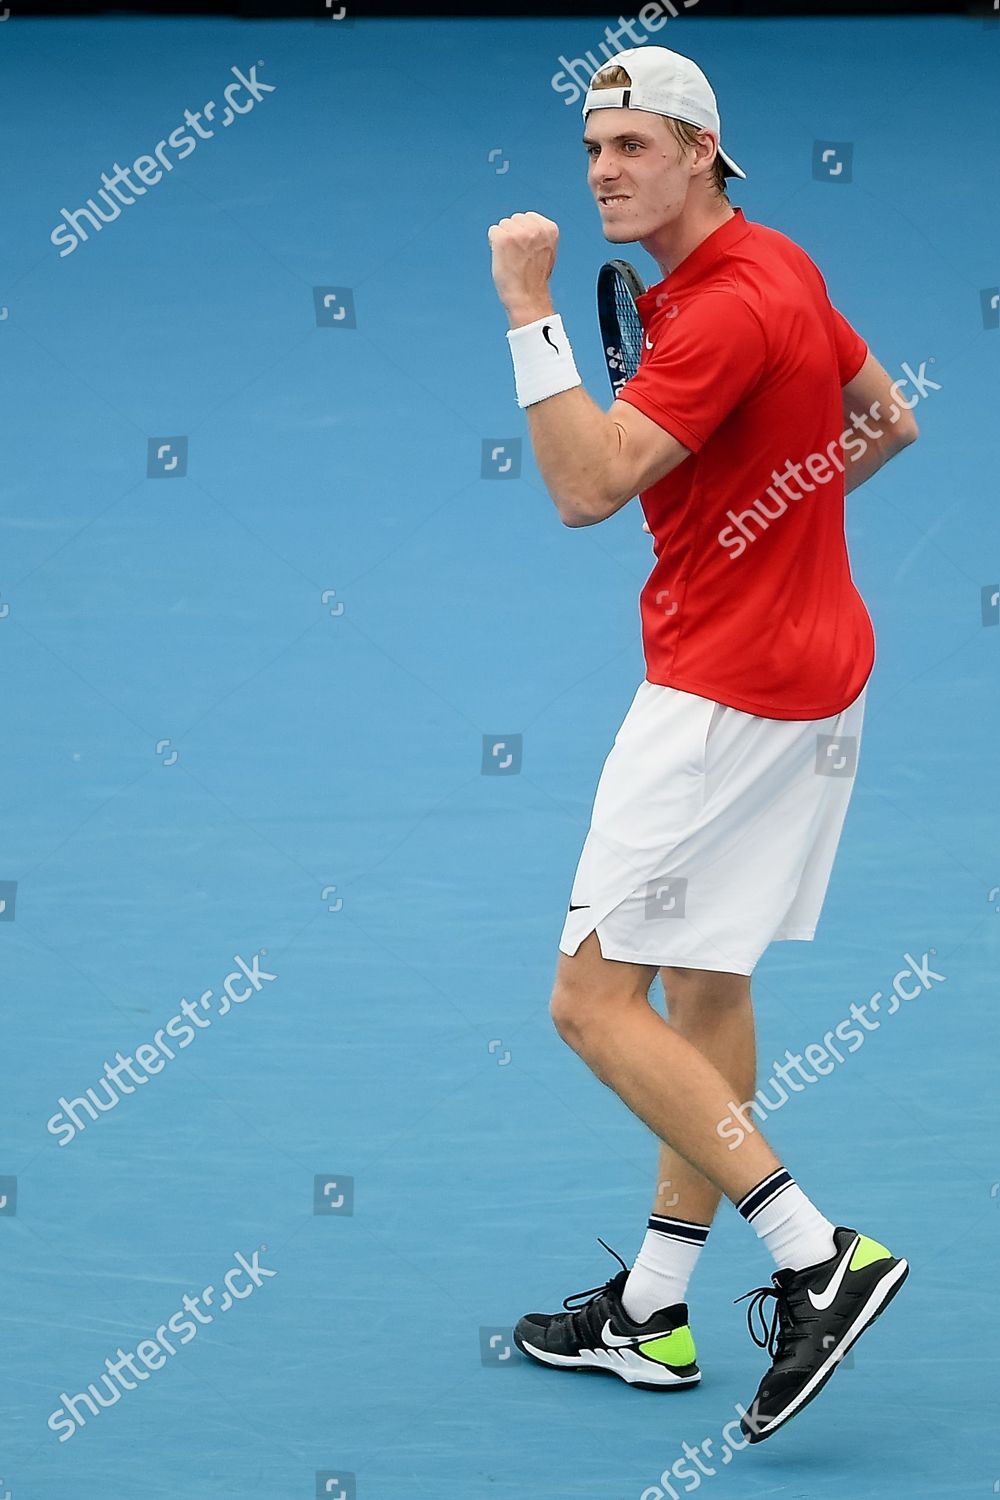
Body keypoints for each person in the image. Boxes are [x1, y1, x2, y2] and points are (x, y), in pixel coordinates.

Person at [486, 44, 917, 1443]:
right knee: (703, 979)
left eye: (635, 146)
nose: (606, 170)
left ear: (701, 154)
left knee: (591, 1004)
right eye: (594, 146)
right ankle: (656, 1310)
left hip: (722, 701)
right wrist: (771, 511)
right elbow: (886, 420)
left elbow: (583, 488)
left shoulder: (721, 312)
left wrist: (530, 311)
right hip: (821, 677)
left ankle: (813, 1255)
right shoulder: (781, 264)